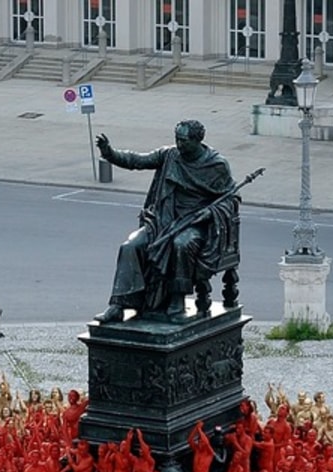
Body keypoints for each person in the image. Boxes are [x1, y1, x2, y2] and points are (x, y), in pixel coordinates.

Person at [93, 120, 240, 324]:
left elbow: (231, 199)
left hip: (197, 224)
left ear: (198, 140)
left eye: (184, 141)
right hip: (164, 220)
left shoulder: (216, 165)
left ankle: (177, 301)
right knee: (130, 246)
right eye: (177, 139)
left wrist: (210, 212)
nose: (179, 144)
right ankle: (118, 305)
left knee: (182, 244)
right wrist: (109, 153)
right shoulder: (169, 155)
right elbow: (137, 160)